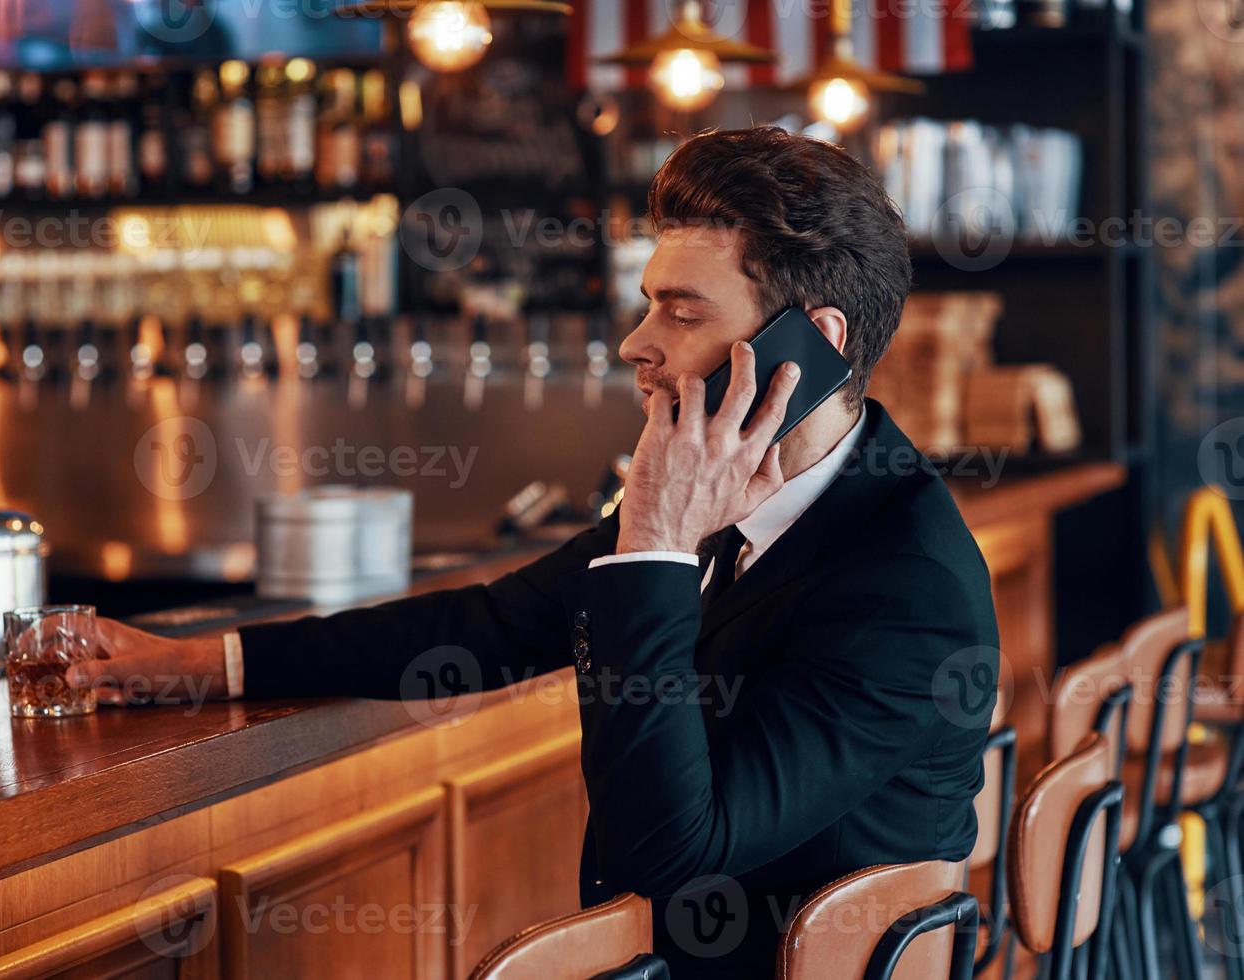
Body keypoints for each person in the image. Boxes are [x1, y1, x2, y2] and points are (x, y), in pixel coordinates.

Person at [73, 127, 1000, 977]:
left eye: (680, 311)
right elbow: (489, 624)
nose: (635, 343)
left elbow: (669, 851)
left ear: (810, 347)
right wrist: (204, 664)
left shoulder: (903, 580)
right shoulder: (733, 488)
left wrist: (657, 546)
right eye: (648, 306)